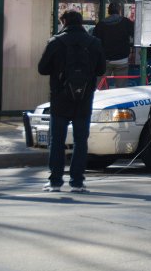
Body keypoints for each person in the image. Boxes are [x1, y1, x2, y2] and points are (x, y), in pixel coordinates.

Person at [38, 10, 106, 192]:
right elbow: (101, 69)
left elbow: (42, 68)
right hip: (84, 98)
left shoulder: (55, 42)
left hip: (60, 97)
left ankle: (55, 181)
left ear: (64, 22)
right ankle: (77, 181)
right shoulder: (94, 43)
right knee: (80, 141)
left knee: (57, 140)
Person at [93, 1, 134, 88]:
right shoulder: (126, 22)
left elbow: (95, 42)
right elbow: (134, 37)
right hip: (122, 59)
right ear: (119, 10)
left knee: (101, 87)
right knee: (121, 87)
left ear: (108, 11)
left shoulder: (100, 25)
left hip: (105, 60)